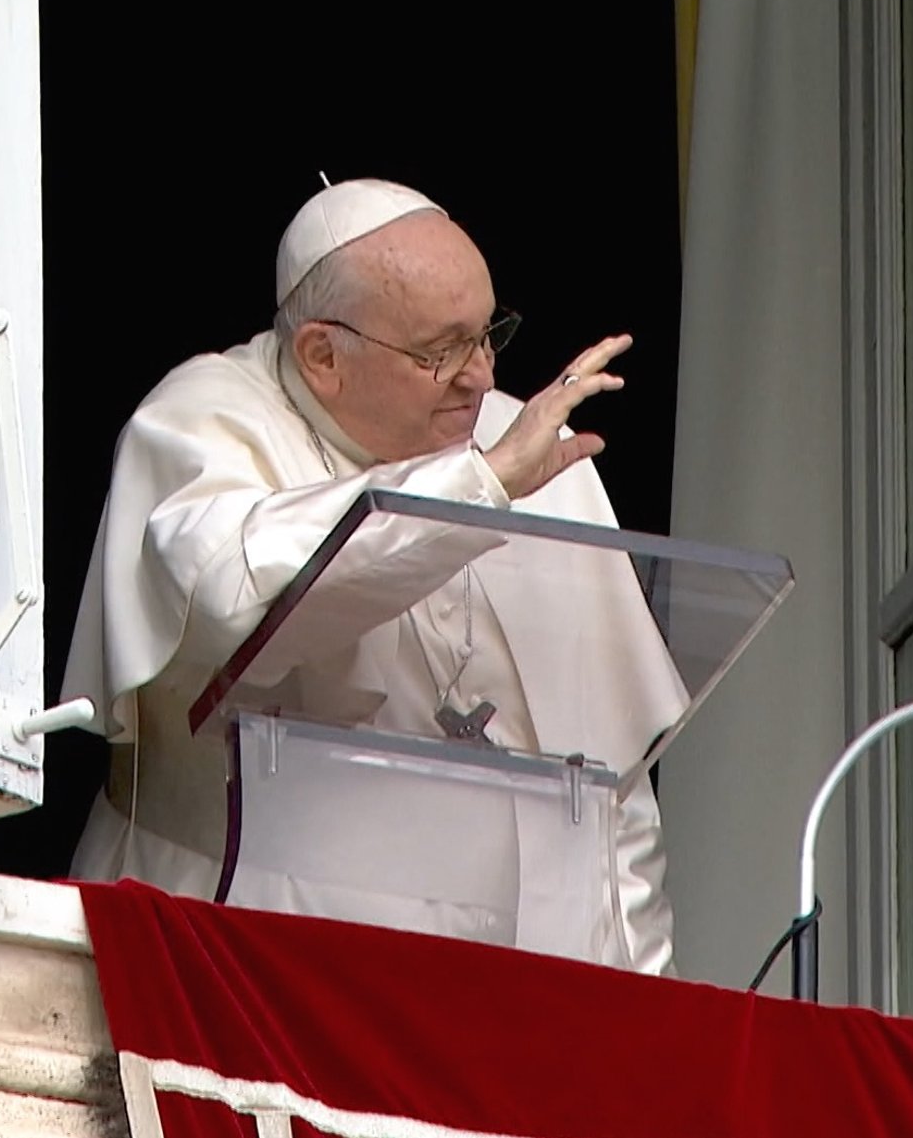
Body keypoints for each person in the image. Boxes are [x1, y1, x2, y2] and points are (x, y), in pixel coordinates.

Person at [59, 177, 687, 974]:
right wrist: (476, 487)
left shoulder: (523, 441)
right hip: (250, 956)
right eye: (441, 351)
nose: (482, 379)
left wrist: (642, 992)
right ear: (323, 355)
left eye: (488, 332)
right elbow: (239, 595)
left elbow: (614, 794)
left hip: (505, 978)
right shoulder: (205, 418)